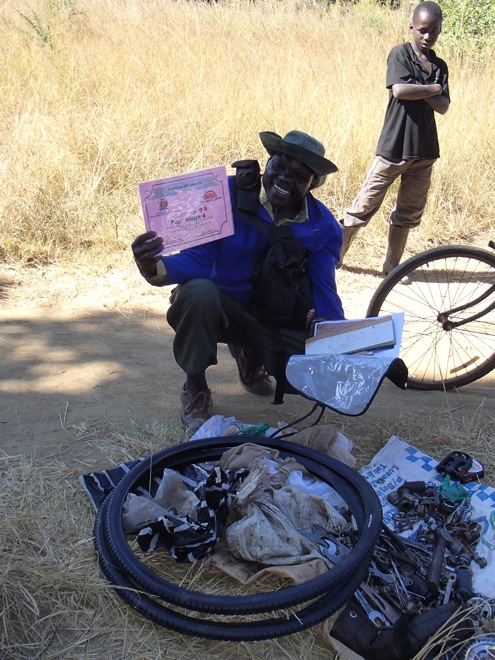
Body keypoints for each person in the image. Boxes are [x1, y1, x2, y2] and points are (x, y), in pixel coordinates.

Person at [132, 130, 344, 432]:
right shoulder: (223, 194)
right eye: (279, 166)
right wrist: (153, 265)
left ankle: (250, 355)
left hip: (273, 318)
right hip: (224, 306)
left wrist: (337, 338)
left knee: (307, 367)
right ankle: (195, 387)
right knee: (196, 293)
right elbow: (197, 260)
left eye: (299, 175)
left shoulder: (323, 227)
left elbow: (326, 292)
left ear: (313, 184)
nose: (284, 178)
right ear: (267, 163)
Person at [339, 1, 450, 275]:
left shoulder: (440, 64)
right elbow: (399, 90)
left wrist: (421, 89)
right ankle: (334, 258)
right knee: (363, 206)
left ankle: (392, 268)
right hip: (394, 147)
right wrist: (433, 88)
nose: (427, 37)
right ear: (411, 27)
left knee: (408, 215)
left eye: (434, 32)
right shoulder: (400, 54)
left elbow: (444, 106)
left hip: (424, 151)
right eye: (423, 30)